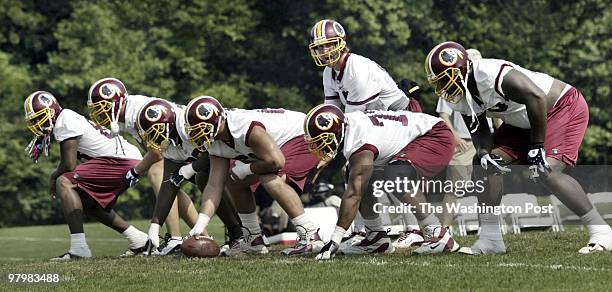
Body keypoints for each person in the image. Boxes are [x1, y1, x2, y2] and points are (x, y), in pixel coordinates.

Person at [424, 41, 612, 254]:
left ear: (461, 70)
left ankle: (601, 231)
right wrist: (484, 152)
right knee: (485, 165)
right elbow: (480, 130)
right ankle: (491, 239)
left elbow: (537, 97)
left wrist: (536, 146)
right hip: (521, 119)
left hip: (560, 107)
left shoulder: (490, 73)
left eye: (445, 80)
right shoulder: (461, 96)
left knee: (545, 170)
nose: (443, 88)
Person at [304, 104, 461, 260]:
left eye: (322, 141)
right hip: (418, 136)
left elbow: (353, 195)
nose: (320, 147)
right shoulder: (349, 125)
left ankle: (437, 233)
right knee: (352, 173)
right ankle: (376, 237)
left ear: (336, 133)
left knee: (394, 175)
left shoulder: (359, 140)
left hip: (435, 135)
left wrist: (334, 240)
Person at [182, 96, 324, 256]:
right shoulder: (216, 139)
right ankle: (253, 239)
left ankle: (310, 235)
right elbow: (215, 185)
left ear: (217, 122)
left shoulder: (244, 127)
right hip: (277, 148)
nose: (196, 134)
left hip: (305, 135)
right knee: (233, 179)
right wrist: (201, 223)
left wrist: (246, 169)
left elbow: (276, 162)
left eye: (200, 129)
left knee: (269, 178)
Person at [24, 91, 148, 260]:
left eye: (40, 117)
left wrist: (53, 177)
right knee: (87, 202)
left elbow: (69, 164)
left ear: (51, 111)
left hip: (122, 161)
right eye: (34, 120)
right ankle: (139, 240)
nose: (38, 123)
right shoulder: (68, 117)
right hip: (127, 159)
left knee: (64, 182)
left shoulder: (64, 120)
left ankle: (79, 248)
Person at [87, 77, 198, 255]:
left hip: (189, 140)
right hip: (178, 144)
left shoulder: (134, 114)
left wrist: (134, 171)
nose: (101, 114)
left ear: (116, 102)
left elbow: (156, 153)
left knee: (157, 174)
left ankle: (175, 239)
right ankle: (202, 236)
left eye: (103, 108)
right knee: (170, 184)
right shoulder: (126, 114)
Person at [133, 98, 244, 254]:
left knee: (204, 178)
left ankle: (240, 233)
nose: (152, 140)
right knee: (200, 178)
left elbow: (213, 152)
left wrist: (190, 169)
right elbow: (169, 183)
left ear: (165, 126)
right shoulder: (170, 142)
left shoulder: (187, 128)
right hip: (219, 159)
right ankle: (238, 234)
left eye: (153, 133)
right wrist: (155, 225)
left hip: (237, 151)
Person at [309, 19, 422, 113]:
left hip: (404, 115)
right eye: (320, 47)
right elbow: (331, 111)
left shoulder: (356, 69)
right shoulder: (328, 73)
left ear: (340, 43)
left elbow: (353, 119)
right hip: (380, 117)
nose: (324, 51)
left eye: (329, 45)